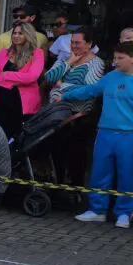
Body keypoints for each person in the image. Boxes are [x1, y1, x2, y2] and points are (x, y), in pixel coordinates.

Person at [62, 38, 133, 228]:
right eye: (114, 57)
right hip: (105, 132)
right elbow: (90, 91)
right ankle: (98, 209)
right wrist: (65, 95)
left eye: (120, 58)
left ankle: (124, 213)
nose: (115, 61)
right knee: (99, 172)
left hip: (131, 135)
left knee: (127, 175)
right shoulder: (110, 77)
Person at [44, 25, 105, 188]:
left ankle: (75, 189)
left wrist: (62, 85)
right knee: (57, 152)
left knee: (76, 155)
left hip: (79, 118)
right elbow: (49, 77)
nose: (73, 46)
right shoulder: (66, 58)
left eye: (78, 43)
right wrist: (69, 62)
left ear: (89, 44)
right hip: (57, 116)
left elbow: (89, 90)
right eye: (72, 42)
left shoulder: (96, 63)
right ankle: (58, 186)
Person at [0, 20, 44, 138]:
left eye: (20, 33)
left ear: (28, 35)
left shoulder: (37, 53)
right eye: (14, 33)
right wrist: (13, 83)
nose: (16, 36)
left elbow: (32, 77)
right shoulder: (4, 52)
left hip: (21, 104)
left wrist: (6, 74)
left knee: (16, 138)